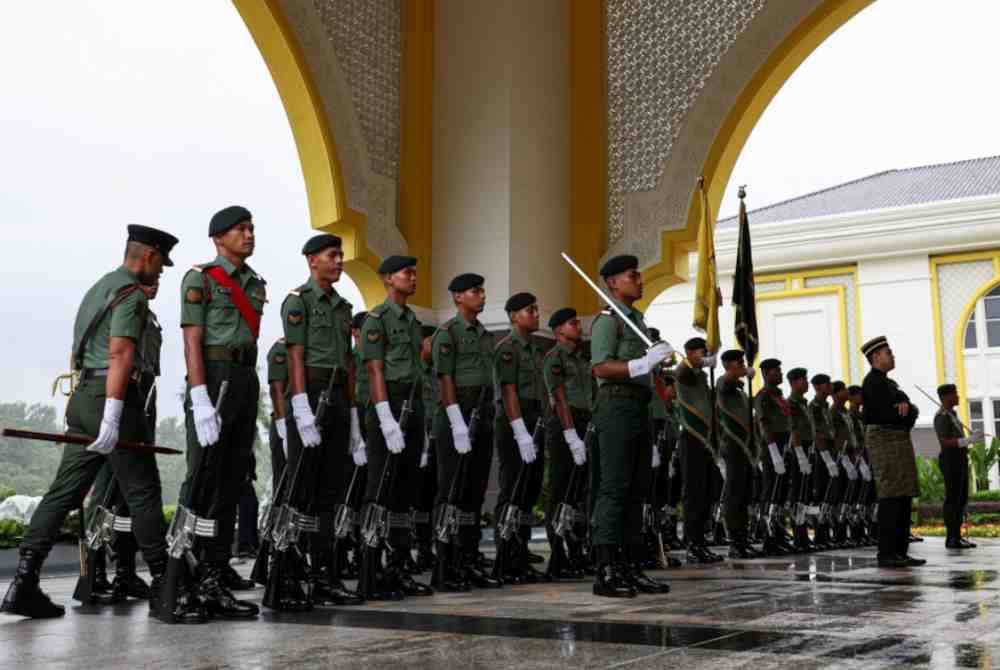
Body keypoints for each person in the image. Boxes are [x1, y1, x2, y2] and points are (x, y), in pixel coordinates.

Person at [2, 225, 182, 621]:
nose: (161, 273)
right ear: (149, 256)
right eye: (161, 265)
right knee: (143, 492)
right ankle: (166, 590)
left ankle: (23, 583)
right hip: (110, 396)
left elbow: (79, 349)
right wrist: (115, 414)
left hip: (83, 397)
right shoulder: (132, 294)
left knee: (64, 492)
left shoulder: (97, 288)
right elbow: (120, 354)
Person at [178, 205, 265, 619]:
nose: (248, 235)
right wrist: (199, 397)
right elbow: (192, 340)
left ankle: (214, 572)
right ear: (218, 239)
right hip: (213, 377)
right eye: (239, 229)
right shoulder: (201, 278)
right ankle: (185, 571)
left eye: (250, 228)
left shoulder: (255, 284)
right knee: (203, 478)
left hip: (245, 378)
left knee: (232, 480)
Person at [276, 234, 364, 608]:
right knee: (300, 489)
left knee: (329, 491)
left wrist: (355, 415)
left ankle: (324, 576)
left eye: (341, 255)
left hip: (338, 397)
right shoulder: (299, 301)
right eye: (333, 255)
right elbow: (295, 356)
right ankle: (287, 576)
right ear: (313, 261)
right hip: (309, 395)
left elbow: (348, 363)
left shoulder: (344, 307)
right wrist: (300, 407)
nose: (340, 261)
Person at [590, 254, 671, 597]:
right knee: (615, 488)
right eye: (632, 276)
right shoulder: (609, 321)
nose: (639, 280)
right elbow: (600, 367)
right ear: (612, 283)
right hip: (615, 407)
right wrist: (642, 363)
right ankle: (606, 569)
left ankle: (631, 565)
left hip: (638, 409)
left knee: (638, 490)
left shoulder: (636, 319)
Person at [359, 255, 433, 599]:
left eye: (414, 272)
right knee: (380, 490)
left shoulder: (413, 321)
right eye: (407, 272)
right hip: (389, 406)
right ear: (389, 279)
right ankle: (370, 569)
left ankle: (398, 566)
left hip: (413, 404)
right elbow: (375, 370)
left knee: (405, 493)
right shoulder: (378, 319)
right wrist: (385, 416)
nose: (413, 277)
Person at [431, 273, 500, 591]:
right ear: (458, 297)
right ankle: (445, 565)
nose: (482, 296)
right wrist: (457, 421)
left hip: (483, 413)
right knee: (452, 492)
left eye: (483, 291)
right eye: (475, 291)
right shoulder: (448, 333)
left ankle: (468, 559)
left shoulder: (485, 334)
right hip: (458, 414)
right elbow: (445, 380)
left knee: (474, 493)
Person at [493, 292, 548, 584]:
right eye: (530, 310)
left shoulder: (535, 350)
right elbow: (509, 391)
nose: (536, 314)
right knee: (512, 488)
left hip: (535, 419)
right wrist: (519, 431)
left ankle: (521, 551)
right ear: (514, 316)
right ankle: (505, 556)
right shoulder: (508, 348)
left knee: (529, 491)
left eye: (536, 309)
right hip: (515, 422)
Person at [860, 336, 925, 568]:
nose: (892, 356)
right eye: (888, 353)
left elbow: (911, 410)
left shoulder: (890, 384)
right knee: (890, 498)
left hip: (898, 441)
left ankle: (901, 551)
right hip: (885, 443)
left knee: (904, 496)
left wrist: (905, 410)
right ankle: (887, 552)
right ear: (875, 357)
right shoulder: (872, 383)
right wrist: (903, 411)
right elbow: (887, 414)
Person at [542, 307, 592, 580]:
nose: (578, 326)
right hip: (564, 428)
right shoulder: (555, 358)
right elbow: (559, 399)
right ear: (559, 330)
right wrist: (571, 434)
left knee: (578, 492)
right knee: (560, 491)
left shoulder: (581, 359)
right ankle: (558, 555)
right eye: (573, 323)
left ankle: (576, 551)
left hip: (584, 424)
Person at [675, 337, 721, 564]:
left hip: (706, 441)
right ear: (691, 352)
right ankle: (692, 543)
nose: (705, 356)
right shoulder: (686, 373)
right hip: (691, 438)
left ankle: (701, 541)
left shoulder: (701, 377)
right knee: (693, 493)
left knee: (706, 492)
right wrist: (698, 361)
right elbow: (682, 368)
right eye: (701, 352)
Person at [716, 350, 756, 558]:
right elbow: (724, 382)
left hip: (746, 448)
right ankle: (735, 542)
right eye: (738, 362)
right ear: (728, 366)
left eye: (743, 361)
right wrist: (739, 374)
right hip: (733, 445)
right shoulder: (724, 384)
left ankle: (743, 538)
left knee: (744, 495)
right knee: (734, 494)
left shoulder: (740, 391)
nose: (742, 365)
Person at [754, 359, 793, 556]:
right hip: (772, 448)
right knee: (771, 493)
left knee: (781, 494)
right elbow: (764, 425)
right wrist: (773, 452)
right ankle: (768, 538)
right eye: (777, 371)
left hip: (784, 445)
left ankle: (778, 534)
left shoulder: (779, 396)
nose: (780, 374)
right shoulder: (763, 397)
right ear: (767, 374)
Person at [934, 384, 980, 549]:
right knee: (952, 499)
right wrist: (967, 441)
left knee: (960, 499)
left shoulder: (952, 414)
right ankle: (951, 537)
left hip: (959, 459)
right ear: (946, 397)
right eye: (955, 393)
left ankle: (957, 536)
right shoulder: (942, 416)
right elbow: (944, 441)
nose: (958, 396)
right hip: (950, 459)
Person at [786, 367, 815, 553]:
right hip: (798, 451)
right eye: (803, 379)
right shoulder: (791, 404)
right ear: (794, 383)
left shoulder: (803, 403)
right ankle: (798, 536)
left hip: (808, 449)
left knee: (805, 496)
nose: (806, 383)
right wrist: (800, 454)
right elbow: (793, 430)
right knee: (797, 496)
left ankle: (803, 534)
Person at [809, 374, 837, 550]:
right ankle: (819, 534)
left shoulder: (825, 406)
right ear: (818, 387)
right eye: (827, 384)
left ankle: (825, 533)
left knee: (830, 496)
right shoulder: (814, 407)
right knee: (821, 496)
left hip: (830, 451)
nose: (830, 386)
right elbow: (817, 434)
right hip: (820, 455)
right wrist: (826, 458)